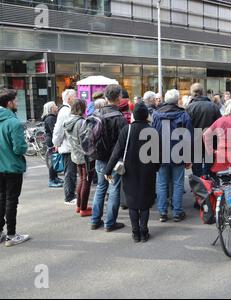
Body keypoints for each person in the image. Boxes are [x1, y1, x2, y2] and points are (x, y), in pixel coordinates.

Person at [105, 102, 160, 242]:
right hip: (148, 172)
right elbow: (158, 154)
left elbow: (117, 152)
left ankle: (135, 233)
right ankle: (144, 231)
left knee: (132, 202)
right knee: (145, 202)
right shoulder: (152, 131)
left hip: (130, 171)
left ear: (134, 115)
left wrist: (108, 169)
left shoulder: (127, 130)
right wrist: (156, 167)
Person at [0, 89, 30, 247]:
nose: (16, 103)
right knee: (11, 200)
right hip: (12, 166)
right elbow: (19, 149)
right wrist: (23, 147)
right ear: (9, 103)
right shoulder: (14, 122)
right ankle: (11, 235)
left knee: (2, 197)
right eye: (15, 101)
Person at [90, 84, 128, 232]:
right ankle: (110, 222)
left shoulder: (97, 113)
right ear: (119, 98)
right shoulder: (119, 118)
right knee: (114, 189)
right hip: (114, 160)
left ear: (105, 97)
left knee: (100, 187)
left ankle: (95, 220)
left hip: (99, 157)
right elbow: (123, 142)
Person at [152, 89, 193, 222]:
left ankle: (162, 212)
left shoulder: (156, 114)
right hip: (179, 153)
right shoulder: (184, 115)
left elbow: (152, 135)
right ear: (177, 100)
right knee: (178, 183)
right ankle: (177, 212)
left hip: (161, 153)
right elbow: (189, 138)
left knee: (162, 183)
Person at [64, 99, 95, 217]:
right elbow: (88, 139)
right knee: (86, 181)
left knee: (81, 180)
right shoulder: (81, 122)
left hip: (75, 154)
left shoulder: (68, 121)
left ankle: (79, 206)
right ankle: (83, 208)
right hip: (85, 156)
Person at [187, 83, 222, 177]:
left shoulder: (190, 107)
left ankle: (199, 187)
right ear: (203, 92)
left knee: (197, 168)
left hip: (195, 142)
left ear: (193, 93)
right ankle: (210, 185)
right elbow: (220, 126)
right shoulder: (214, 106)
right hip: (211, 142)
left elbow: (186, 127)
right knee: (210, 167)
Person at [53, 89, 78, 205]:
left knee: (70, 172)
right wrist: (56, 143)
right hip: (68, 147)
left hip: (68, 146)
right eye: (75, 96)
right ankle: (69, 197)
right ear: (69, 98)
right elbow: (59, 130)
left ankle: (71, 194)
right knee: (69, 172)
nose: (76, 98)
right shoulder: (65, 111)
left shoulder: (65, 110)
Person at [41, 101, 63, 188]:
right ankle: (51, 180)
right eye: (55, 106)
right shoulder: (50, 118)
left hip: (51, 140)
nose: (57, 107)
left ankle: (55, 177)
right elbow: (54, 131)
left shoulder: (51, 117)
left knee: (55, 159)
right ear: (51, 109)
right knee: (53, 160)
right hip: (51, 141)